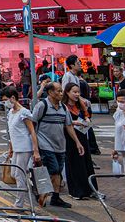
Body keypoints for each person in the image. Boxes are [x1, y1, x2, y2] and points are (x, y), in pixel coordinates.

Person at [31, 81, 85, 209]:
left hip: (60, 145)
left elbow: (68, 125)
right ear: (50, 92)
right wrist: (35, 148)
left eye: (61, 91)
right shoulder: (42, 106)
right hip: (45, 144)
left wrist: (78, 142)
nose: (61, 93)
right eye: (59, 91)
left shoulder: (63, 108)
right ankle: (42, 192)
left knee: (58, 172)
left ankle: (53, 197)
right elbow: (32, 126)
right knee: (54, 169)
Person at [1, 87, 40, 208]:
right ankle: (31, 188)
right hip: (16, 148)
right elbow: (11, 132)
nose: (5, 103)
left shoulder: (24, 112)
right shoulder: (10, 113)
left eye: (6, 100)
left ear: (13, 98)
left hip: (24, 147)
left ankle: (19, 204)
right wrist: (11, 149)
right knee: (14, 174)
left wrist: (36, 151)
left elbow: (32, 131)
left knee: (18, 174)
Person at [62, 83, 96, 200]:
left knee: (86, 162)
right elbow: (63, 121)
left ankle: (90, 189)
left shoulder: (80, 104)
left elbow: (86, 114)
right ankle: (77, 191)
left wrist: (86, 119)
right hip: (70, 138)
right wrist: (74, 122)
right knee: (74, 162)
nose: (77, 94)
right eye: (74, 92)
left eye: (78, 92)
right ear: (67, 92)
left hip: (82, 135)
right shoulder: (63, 106)